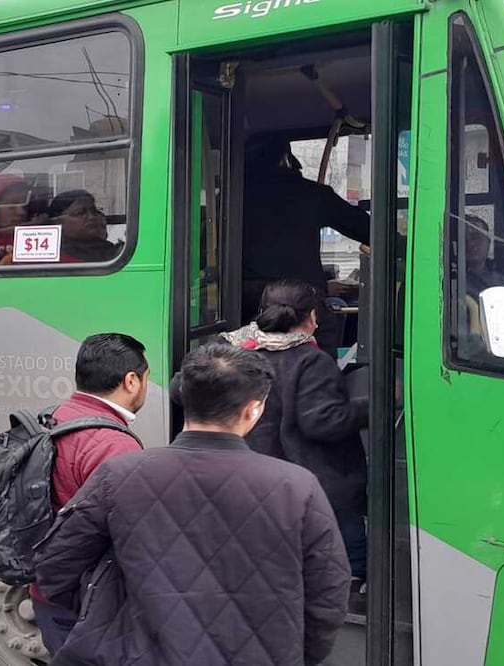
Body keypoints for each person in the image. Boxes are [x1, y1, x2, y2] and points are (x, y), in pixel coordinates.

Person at [35, 344, 351, 666]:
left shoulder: (119, 475)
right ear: (254, 409)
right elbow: (329, 593)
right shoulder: (298, 486)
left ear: (183, 396)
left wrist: (111, 619)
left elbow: (54, 567)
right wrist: (292, 652)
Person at [222, 280, 368, 609]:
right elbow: (323, 421)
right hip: (314, 473)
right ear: (313, 317)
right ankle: (351, 587)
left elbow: (184, 386)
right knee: (345, 540)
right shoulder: (310, 360)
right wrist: (372, 406)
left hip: (256, 468)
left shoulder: (239, 352)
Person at [30, 333, 150, 654]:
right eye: (146, 378)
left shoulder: (54, 418)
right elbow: (129, 534)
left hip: (47, 589)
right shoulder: (114, 444)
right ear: (131, 381)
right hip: (86, 599)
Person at [241, 135, 371, 349]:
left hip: (244, 305)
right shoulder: (312, 194)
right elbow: (368, 230)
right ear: (284, 159)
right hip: (302, 304)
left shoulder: (229, 197)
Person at [46, 189, 123, 263]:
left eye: (94, 211)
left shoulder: (113, 251)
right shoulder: (58, 258)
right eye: (80, 212)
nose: (92, 217)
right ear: (58, 222)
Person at [462, 214, 504, 294]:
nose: (470, 243)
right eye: (464, 239)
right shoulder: (453, 280)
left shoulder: (502, 279)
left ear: (488, 242)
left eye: (476, 237)